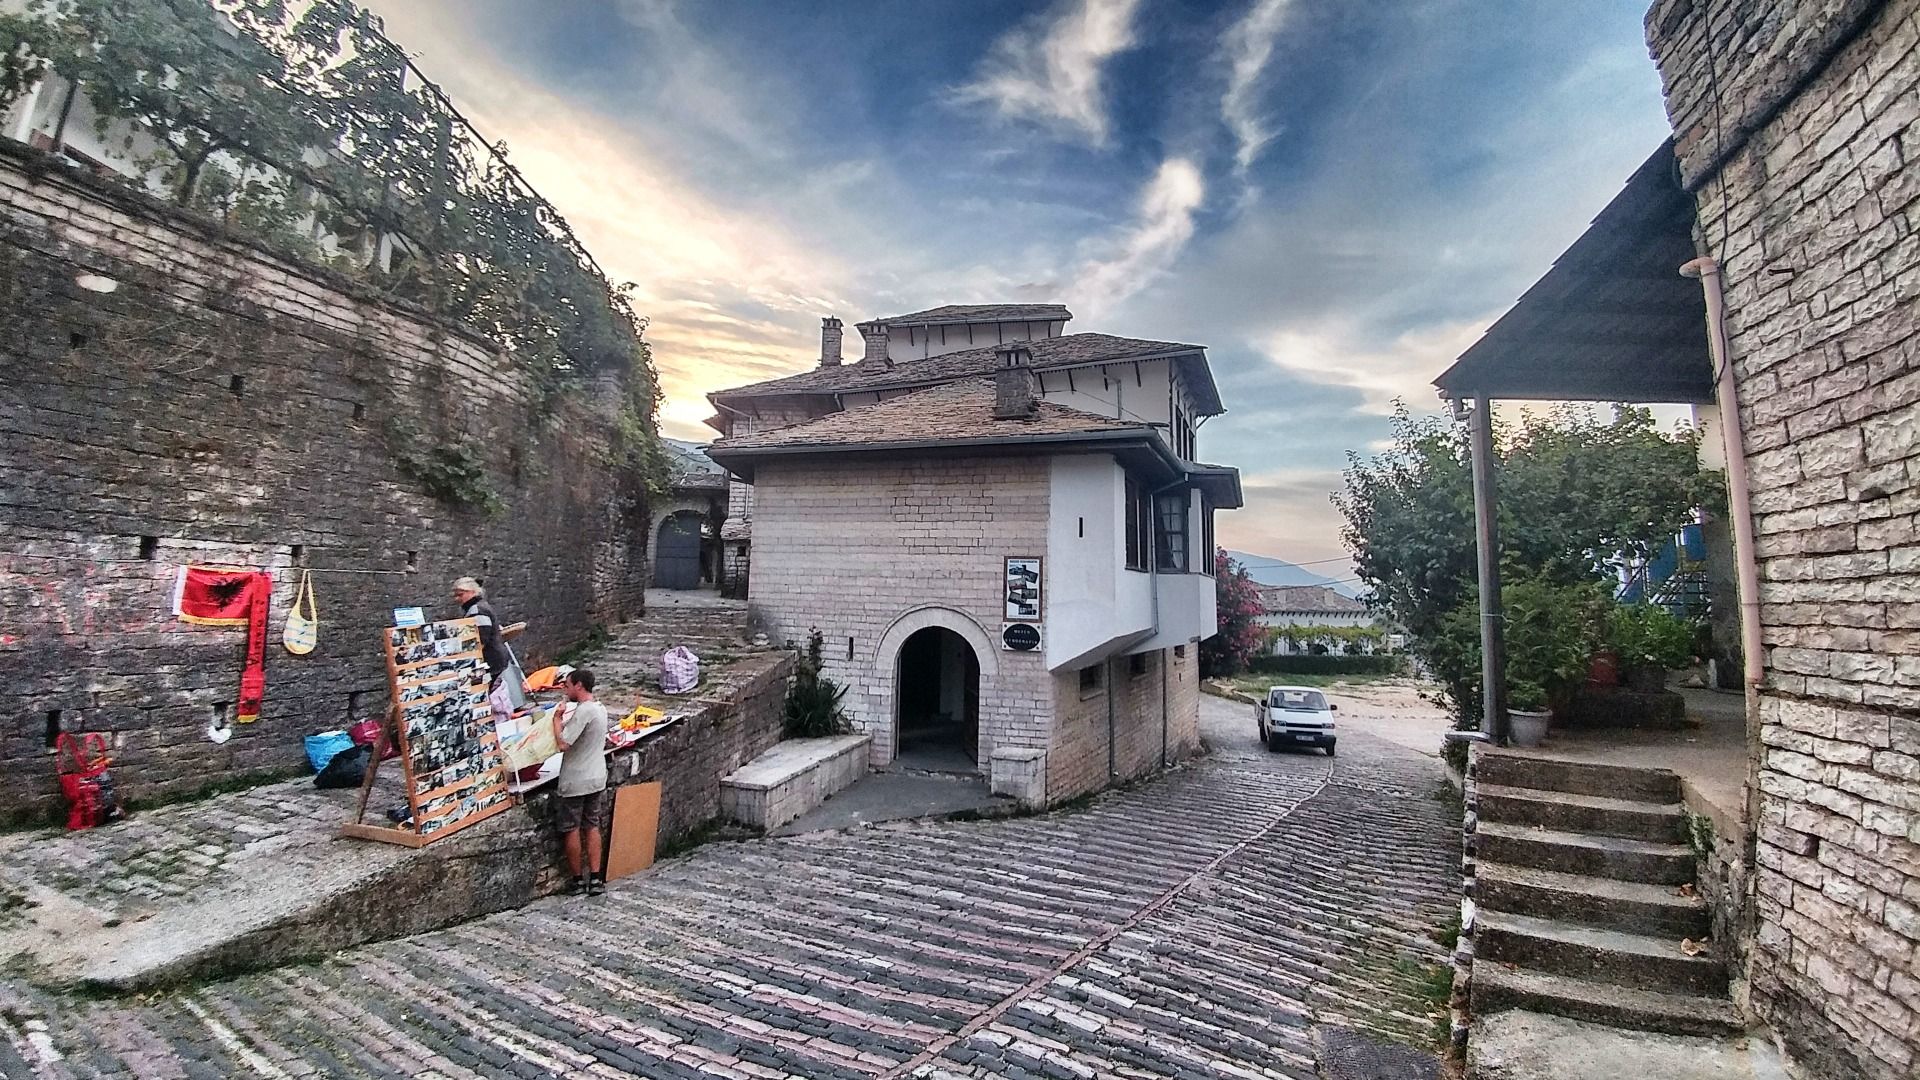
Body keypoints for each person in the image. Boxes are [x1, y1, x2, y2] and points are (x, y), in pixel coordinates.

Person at [552, 668, 610, 896]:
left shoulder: (584, 711)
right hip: (596, 776)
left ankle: (577, 880)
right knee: (592, 825)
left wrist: (557, 719)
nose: (565, 689)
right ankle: (595, 878)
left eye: (567, 685)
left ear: (579, 686)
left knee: (572, 828)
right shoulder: (600, 709)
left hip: (577, 779)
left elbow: (563, 743)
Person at [452, 577, 510, 683]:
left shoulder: (478, 610)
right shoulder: (477, 607)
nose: (457, 599)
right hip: (493, 659)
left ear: (472, 592)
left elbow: (481, 639)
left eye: (460, 595)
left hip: (490, 661)